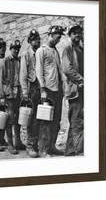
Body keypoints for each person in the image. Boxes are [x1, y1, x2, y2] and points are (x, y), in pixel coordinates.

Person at [35, 25, 65, 157]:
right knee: (45, 122)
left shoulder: (55, 50)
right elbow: (39, 70)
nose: (58, 41)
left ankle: (52, 146)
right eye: (57, 38)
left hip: (57, 90)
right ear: (51, 35)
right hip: (47, 90)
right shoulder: (41, 51)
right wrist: (42, 90)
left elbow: (59, 70)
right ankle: (43, 149)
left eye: (59, 38)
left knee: (56, 120)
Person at [61, 25, 84, 156]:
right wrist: (81, 80)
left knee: (79, 120)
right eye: (74, 33)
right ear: (70, 35)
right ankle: (74, 150)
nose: (77, 35)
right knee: (75, 120)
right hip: (74, 91)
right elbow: (67, 69)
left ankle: (71, 149)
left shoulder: (81, 49)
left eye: (79, 33)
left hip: (83, 90)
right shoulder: (67, 49)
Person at [0, 40, 23, 154]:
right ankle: (10, 144)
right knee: (9, 120)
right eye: (14, 48)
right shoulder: (6, 61)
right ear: (10, 49)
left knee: (18, 119)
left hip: (18, 93)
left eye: (18, 48)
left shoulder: (20, 60)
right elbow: (0, 80)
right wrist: (2, 96)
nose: (16, 50)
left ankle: (18, 142)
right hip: (9, 94)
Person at [20, 29, 41, 158]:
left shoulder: (40, 52)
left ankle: (37, 143)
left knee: (39, 117)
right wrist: (25, 92)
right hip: (31, 87)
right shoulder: (26, 54)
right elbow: (23, 74)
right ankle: (30, 145)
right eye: (33, 39)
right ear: (30, 41)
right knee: (30, 118)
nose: (36, 41)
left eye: (37, 39)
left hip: (40, 87)